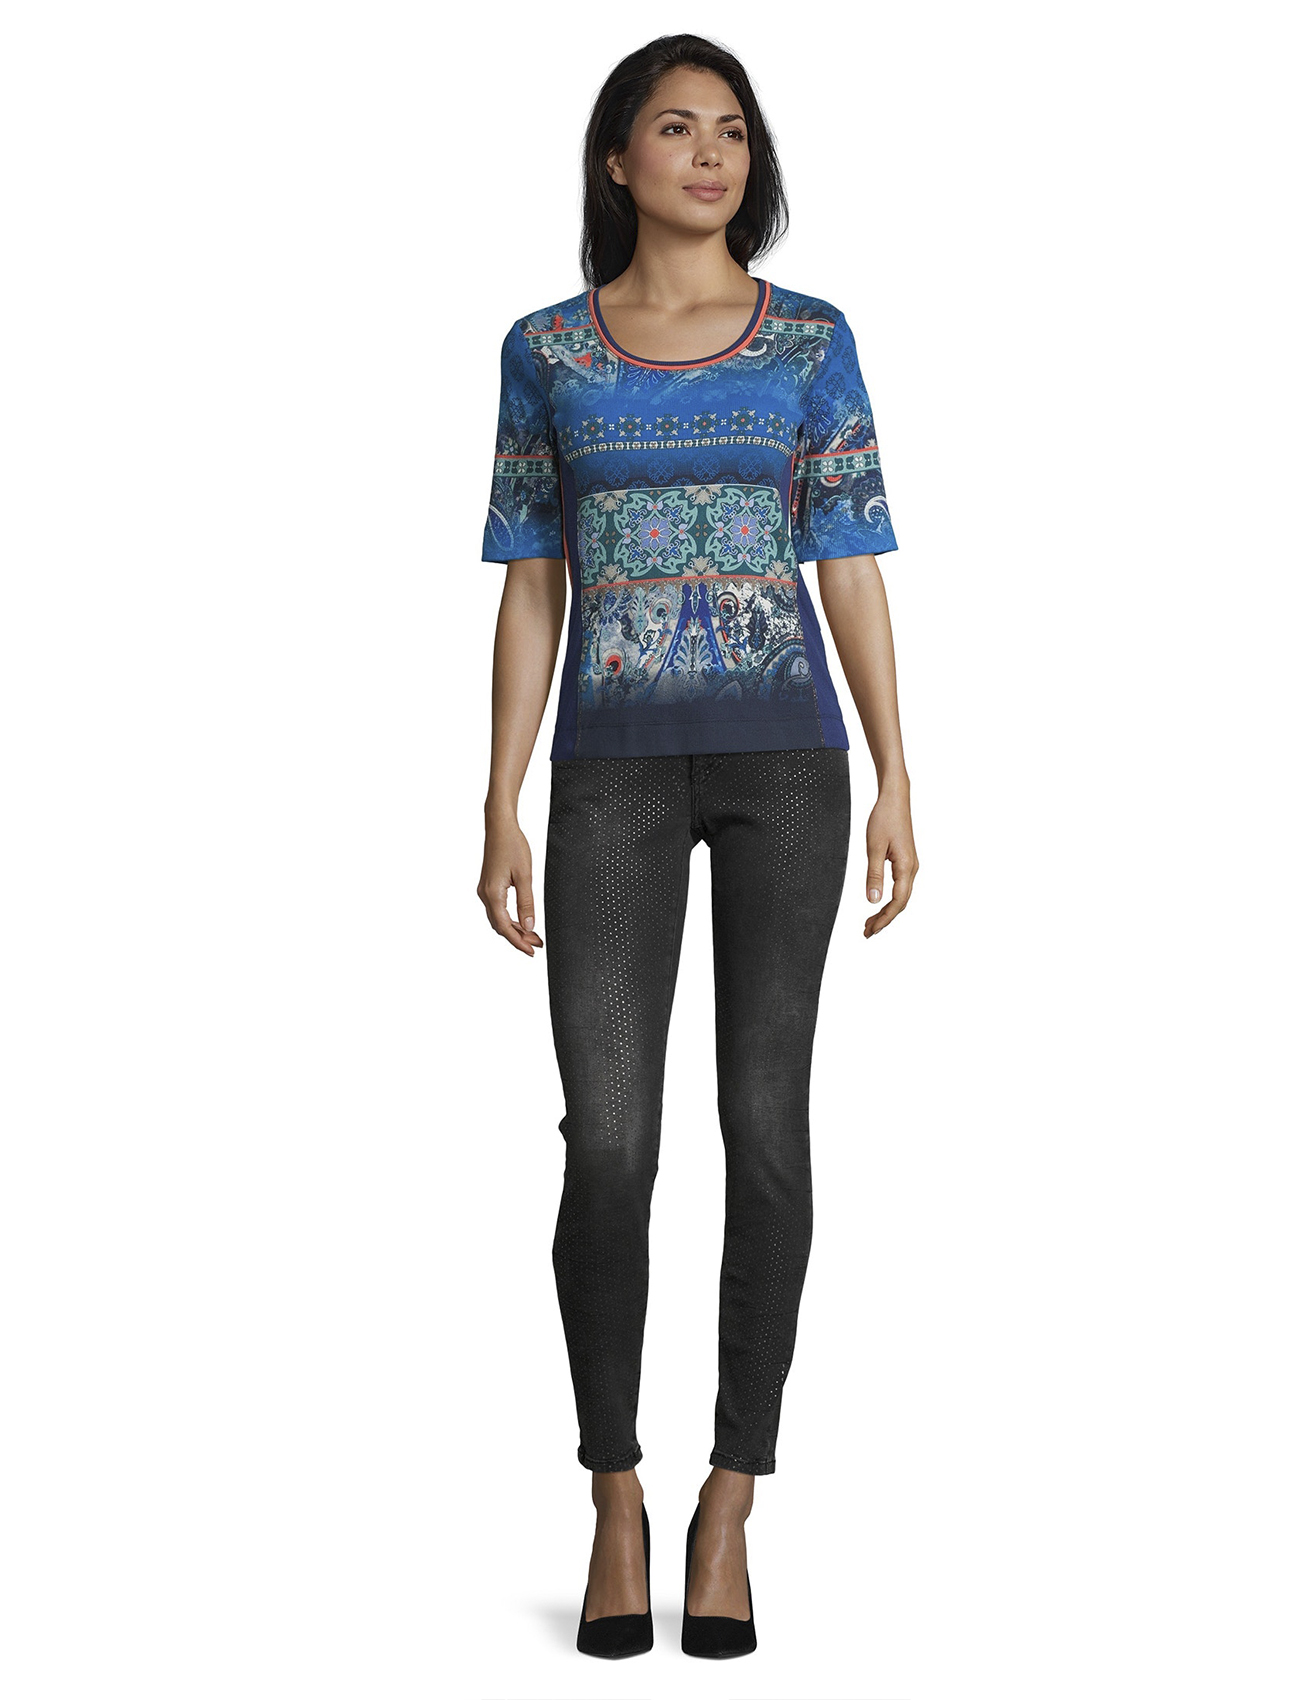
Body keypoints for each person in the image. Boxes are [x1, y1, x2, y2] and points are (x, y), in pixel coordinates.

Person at [477, 33, 918, 1659]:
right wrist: (499, 795)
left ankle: (733, 1495)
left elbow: (851, 561)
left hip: (788, 765)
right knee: (610, 1142)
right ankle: (615, 1491)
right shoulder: (549, 351)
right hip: (607, 774)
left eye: (732, 128)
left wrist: (899, 772)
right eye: (675, 127)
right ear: (619, 159)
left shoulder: (813, 341)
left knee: (765, 1130)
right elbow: (533, 577)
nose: (711, 153)